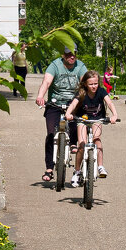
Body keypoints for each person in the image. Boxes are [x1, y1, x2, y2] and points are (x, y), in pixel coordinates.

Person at [35, 46, 87, 183]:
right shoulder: (55, 65)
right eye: (68, 54)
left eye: (74, 54)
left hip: (73, 103)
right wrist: (40, 96)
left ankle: (73, 143)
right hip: (55, 103)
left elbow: (85, 82)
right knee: (51, 134)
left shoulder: (80, 66)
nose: (71, 57)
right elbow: (46, 81)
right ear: (63, 55)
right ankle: (49, 169)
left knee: (77, 122)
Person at [64, 70, 119, 186]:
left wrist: (114, 115)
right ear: (85, 84)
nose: (94, 86)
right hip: (82, 119)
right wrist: (68, 113)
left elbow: (109, 103)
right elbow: (73, 104)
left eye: (95, 83)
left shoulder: (101, 91)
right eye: (91, 84)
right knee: (82, 144)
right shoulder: (82, 93)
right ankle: (77, 171)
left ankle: (100, 167)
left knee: (97, 139)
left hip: (97, 119)